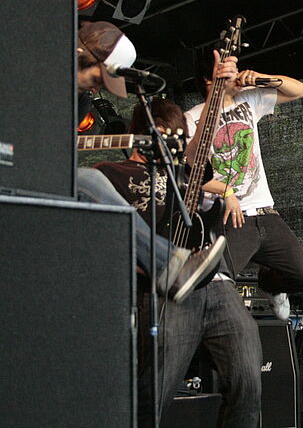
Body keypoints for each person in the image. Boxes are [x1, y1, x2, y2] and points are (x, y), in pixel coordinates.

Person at [95, 98, 263, 427]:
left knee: (248, 382)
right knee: (152, 394)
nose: (175, 145)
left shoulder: (185, 174)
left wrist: (227, 192)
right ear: (146, 133)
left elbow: (202, 155)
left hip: (216, 284)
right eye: (167, 135)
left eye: (180, 137)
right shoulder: (109, 175)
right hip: (165, 291)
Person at [76, 21, 225, 301]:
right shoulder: (36, 74)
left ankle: (166, 266)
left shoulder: (80, 100)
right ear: (82, 53)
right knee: (89, 179)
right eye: (99, 78)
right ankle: (169, 265)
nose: (97, 90)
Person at [185, 61, 303, 320]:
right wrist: (226, 192)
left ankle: (271, 284)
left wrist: (261, 77)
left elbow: (299, 90)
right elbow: (190, 171)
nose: (236, 76)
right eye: (229, 73)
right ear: (209, 81)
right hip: (229, 216)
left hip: (266, 213)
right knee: (218, 282)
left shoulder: (248, 100)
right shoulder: (191, 118)